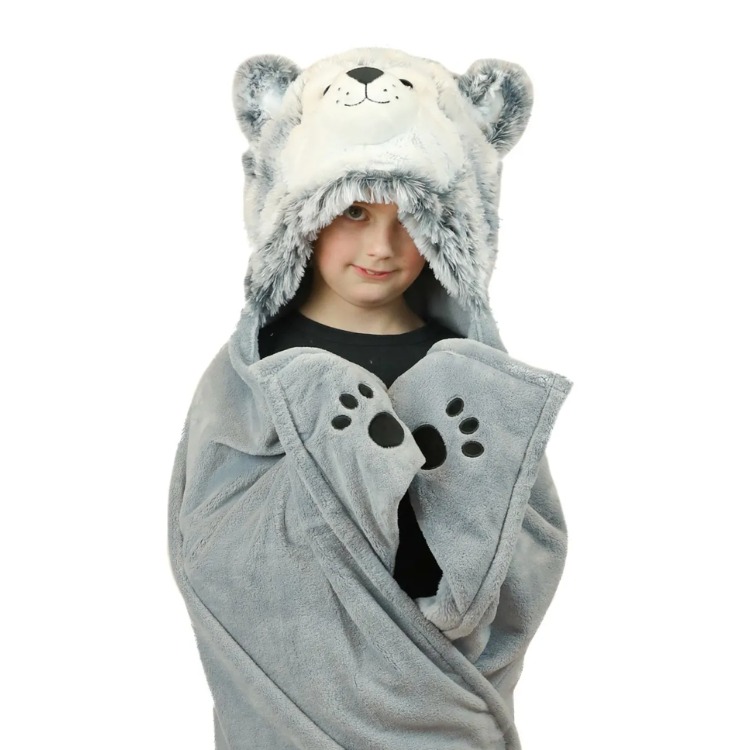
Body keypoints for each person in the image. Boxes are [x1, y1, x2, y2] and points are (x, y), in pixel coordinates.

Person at [168, 47, 574, 750]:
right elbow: (208, 551)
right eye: (354, 210)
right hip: (293, 712)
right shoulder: (256, 374)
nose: (383, 246)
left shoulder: (473, 371)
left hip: (441, 704)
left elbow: (529, 540)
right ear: (300, 218)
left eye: (409, 215)